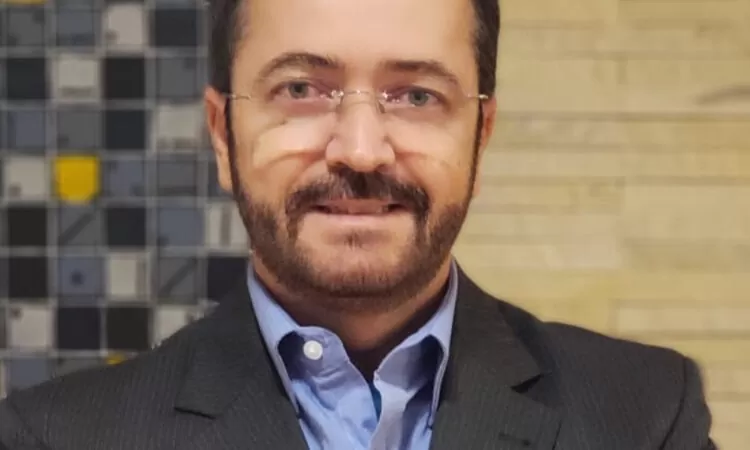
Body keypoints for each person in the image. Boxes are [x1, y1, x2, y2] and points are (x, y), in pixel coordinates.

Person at [0, 0, 716, 448]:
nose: (362, 149)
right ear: (222, 135)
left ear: (482, 134)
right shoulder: (57, 437)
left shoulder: (645, 414)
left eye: (416, 95)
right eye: (302, 89)